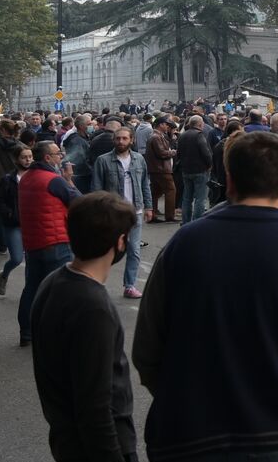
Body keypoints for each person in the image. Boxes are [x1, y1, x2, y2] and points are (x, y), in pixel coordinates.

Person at [132, 131, 278, 462]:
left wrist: (181, 395)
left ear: (230, 179)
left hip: (193, 434)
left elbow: (147, 349)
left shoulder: (183, 243)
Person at [31, 191, 140, 462]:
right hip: (100, 457)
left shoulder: (53, 282)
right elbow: (94, 408)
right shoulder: (93, 307)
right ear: (119, 242)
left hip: (69, 443)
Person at [17, 140, 80, 347]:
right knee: (60, 289)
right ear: (47, 158)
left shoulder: (26, 178)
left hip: (33, 241)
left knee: (32, 286)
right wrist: (69, 180)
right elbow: (78, 202)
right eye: (57, 154)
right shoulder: (53, 179)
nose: (61, 156)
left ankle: (26, 332)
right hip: (56, 241)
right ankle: (58, 333)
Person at [89, 127, 154, 298]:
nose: (121, 142)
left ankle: (130, 285)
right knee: (107, 250)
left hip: (135, 211)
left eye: (124, 139)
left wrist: (149, 207)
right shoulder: (103, 161)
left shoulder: (139, 159)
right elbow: (96, 189)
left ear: (131, 140)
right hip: (112, 213)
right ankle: (95, 282)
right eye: (118, 139)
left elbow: (145, 183)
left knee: (134, 250)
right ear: (113, 140)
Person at [0, 144, 31, 297]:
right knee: (17, 258)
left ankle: (30, 290)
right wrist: (10, 214)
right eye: (24, 157)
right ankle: (3, 275)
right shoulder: (8, 179)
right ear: (16, 159)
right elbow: (0, 201)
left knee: (32, 260)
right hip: (14, 224)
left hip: (33, 224)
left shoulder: (35, 176)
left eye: (30, 157)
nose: (27, 160)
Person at [176, 115, 213, 224]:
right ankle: (197, 222)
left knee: (187, 198)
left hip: (186, 170)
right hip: (200, 170)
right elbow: (205, 152)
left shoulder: (182, 136)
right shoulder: (199, 135)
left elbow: (178, 153)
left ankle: (186, 221)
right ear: (200, 124)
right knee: (200, 199)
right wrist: (209, 164)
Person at [145, 116, 177, 222]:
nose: (167, 126)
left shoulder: (156, 136)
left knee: (155, 192)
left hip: (156, 168)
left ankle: (153, 215)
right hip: (161, 169)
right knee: (171, 190)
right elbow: (162, 153)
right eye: (165, 124)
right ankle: (169, 216)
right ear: (160, 125)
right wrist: (173, 152)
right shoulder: (156, 137)